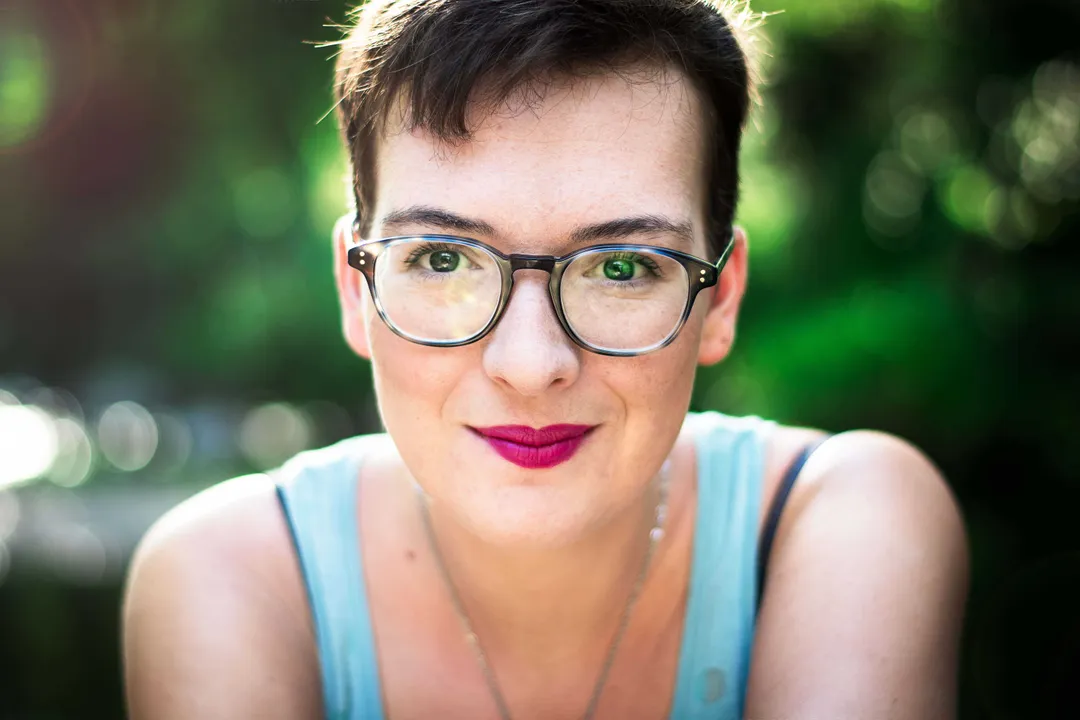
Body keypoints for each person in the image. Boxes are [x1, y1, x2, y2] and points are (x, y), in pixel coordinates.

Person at [122, 1, 969, 718]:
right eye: (445, 259)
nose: (531, 365)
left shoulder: (837, 522)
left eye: (623, 267)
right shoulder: (235, 579)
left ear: (722, 297)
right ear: (356, 290)